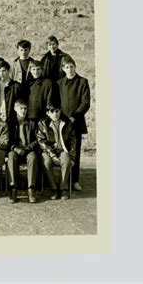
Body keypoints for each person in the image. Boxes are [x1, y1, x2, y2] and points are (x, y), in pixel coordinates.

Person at [57, 56, 91, 191]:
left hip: (76, 122)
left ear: (75, 67)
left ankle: (75, 180)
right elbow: (57, 102)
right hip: (62, 123)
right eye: (66, 67)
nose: (69, 69)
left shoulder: (83, 82)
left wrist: (74, 116)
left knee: (75, 151)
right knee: (63, 150)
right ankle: (63, 179)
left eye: (71, 66)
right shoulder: (59, 83)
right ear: (63, 69)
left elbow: (85, 102)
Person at [36, 103, 76, 200]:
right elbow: (41, 141)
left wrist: (72, 156)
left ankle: (63, 188)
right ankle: (54, 188)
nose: (55, 114)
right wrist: (52, 154)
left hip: (63, 150)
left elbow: (73, 141)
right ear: (47, 113)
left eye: (57, 111)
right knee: (46, 162)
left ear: (60, 111)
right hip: (48, 151)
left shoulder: (67, 122)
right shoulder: (42, 123)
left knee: (66, 160)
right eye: (52, 112)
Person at [7, 99, 40, 203]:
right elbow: (7, 140)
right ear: (15, 109)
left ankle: (31, 189)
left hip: (28, 150)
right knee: (11, 157)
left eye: (25, 108)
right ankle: (13, 189)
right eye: (21, 108)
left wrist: (26, 149)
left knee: (33, 157)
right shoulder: (10, 123)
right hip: (15, 150)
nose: (23, 111)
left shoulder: (32, 123)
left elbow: (36, 141)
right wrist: (15, 148)